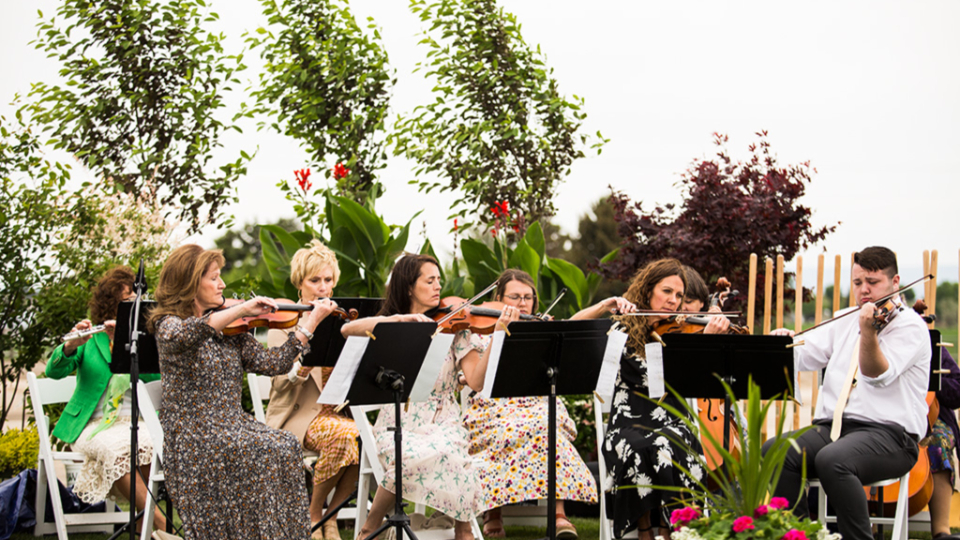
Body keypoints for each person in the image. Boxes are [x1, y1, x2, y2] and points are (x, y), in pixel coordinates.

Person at [148, 244, 332, 540]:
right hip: (194, 437)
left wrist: (310, 323)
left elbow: (274, 363)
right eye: (213, 278)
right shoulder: (168, 325)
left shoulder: (230, 329)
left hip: (232, 425)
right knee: (262, 449)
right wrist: (242, 308)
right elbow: (190, 334)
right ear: (190, 283)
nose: (222, 284)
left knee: (285, 444)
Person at [765, 246, 929, 540]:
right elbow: (804, 356)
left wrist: (868, 332)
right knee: (775, 451)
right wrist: (784, 344)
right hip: (834, 428)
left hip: (891, 436)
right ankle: (801, 535)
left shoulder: (911, 327)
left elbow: (876, 375)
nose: (864, 290)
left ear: (895, 283)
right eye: (857, 283)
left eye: (873, 282)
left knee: (833, 459)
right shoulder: (844, 319)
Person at [343, 254, 510, 540]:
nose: (438, 287)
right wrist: (396, 319)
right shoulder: (392, 325)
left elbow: (476, 380)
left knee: (452, 451)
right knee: (408, 455)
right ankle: (370, 528)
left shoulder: (457, 330)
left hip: (444, 420)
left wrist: (496, 336)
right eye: (429, 280)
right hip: (399, 420)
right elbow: (347, 329)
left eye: (439, 281)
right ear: (409, 287)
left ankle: (463, 531)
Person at [460, 269, 602, 539]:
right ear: (498, 298)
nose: (523, 303)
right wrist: (500, 333)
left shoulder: (540, 328)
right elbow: (473, 377)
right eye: (515, 296)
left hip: (536, 404)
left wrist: (603, 306)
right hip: (493, 406)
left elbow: (573, 325)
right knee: (507, 430)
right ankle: (494, 513)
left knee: (547, 426)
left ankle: (558, 514)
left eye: (528, 297)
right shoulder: (480, 332)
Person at [601, 258, 729, 540]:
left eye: (679, 296)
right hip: (627, 422)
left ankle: (674, 526)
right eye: (666, 291)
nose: (674, 301)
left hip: (671, 420)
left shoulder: (676, 334)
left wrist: (706, 339)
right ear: (648, 291)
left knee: (674, 440)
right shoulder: (621, 329)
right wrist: (602, 306)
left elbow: (685, 381)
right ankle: (645, 525)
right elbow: (572, 326)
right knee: (643, 444)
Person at [45, 266, 167, 533]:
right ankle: (160, 525)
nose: (134, 305)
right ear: (111, 304)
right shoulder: (90, 337)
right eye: (127, 301)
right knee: (118, 451)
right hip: (95, 424)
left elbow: (153, 378)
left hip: (138, 421)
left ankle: (144, 524)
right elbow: (52, 371)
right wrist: (70, 345)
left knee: (149, 446)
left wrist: (124, 346)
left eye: (136, 300)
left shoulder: (142, 338)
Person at [264, 240, 359, 540]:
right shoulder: (283, 324)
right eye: (314, 280)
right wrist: (307, 355)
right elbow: (279, 383)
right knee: (345, 435)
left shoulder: (342, 322)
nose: (323, 287)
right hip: (298, 416)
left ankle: (330, 516)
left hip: (337, 413)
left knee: (371, 441)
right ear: (300, 284)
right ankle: (314, 512)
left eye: (328, 280)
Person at [926, 346, 960, 539]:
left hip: (930, 418)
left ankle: (941, 530)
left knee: (939, 441)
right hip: (884, 417)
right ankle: (865, 526)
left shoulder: (932, 345)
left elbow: (958, 390)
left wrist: (932, 380)